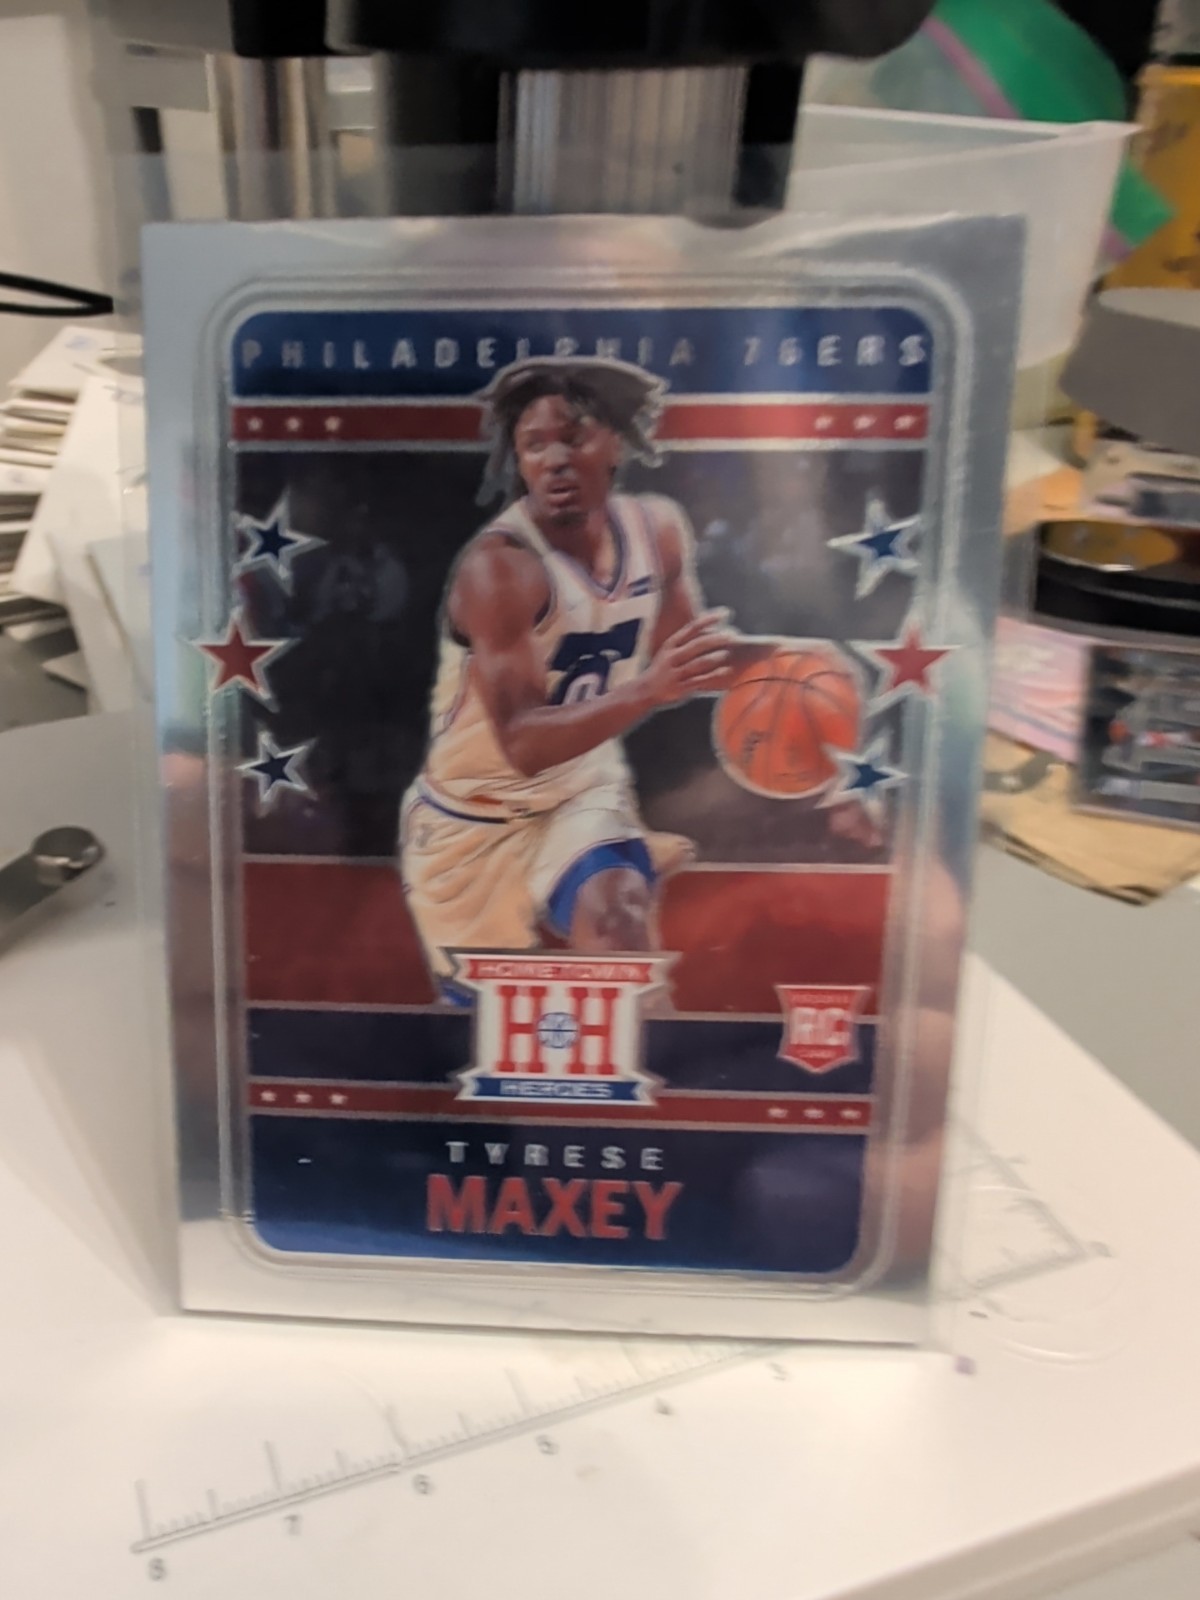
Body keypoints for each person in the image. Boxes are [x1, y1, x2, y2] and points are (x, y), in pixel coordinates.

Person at [400, 355, 747, 999]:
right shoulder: (500, 568)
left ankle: (659, 1052)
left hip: (579, 792)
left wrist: (797, 668)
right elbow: (523, 744)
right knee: (490, 1025)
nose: (555, 459)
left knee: (620, 926)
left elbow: (690, 656)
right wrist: (648, 689)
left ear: (616, 443)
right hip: (471, 819)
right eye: (535, 445)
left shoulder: (658, 530)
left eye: (575, 437)